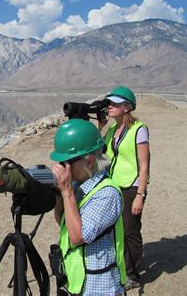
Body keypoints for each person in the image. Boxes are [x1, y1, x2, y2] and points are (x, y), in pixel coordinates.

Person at [51, 119, 126, 295]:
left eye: (67, 162)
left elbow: (78, 236)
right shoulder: (79, 185)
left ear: (90, 162)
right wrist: (59, 196)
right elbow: (65, 225)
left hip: (100, 288)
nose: (62, 168)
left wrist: (67, 192)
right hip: (79, 283)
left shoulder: (108, 193)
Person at [99, 86, 150, 291]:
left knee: (130, 230)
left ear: (127, 107)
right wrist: (101, 126)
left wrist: (140, 195)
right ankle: (124, 266)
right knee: (115, 229)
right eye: (109, 103)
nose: (109, 106)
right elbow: (99, 152)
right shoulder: (112, 129)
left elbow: (144, 165)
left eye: (114, 103)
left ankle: (133, 275)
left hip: (132, 186)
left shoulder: (139, 129)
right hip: (114, 184)